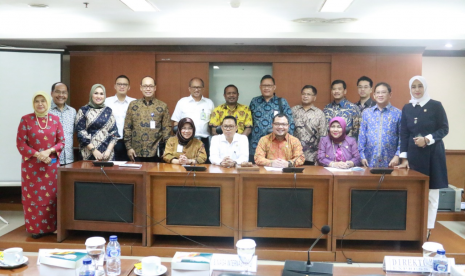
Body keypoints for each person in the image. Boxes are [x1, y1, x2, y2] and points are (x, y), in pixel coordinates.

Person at [396, 76, 449, 239]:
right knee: (414, 193)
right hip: (414, 156)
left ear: (425, 87)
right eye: (413, 87)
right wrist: (404, 158)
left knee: (432, 194)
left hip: (433, 154)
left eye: (420, 86)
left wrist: (428, 139)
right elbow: (404, 133)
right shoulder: (407, 107)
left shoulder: (436, 106)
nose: (417, 90)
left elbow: (444, 129)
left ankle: (428, 229)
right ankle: (412, 228)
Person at [16, 91, 64, 239]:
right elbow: (21, 144)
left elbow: (61, 142)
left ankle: (53, 227)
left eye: (43, 101)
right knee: (34, 198)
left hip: (51, 166)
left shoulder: (55, 120)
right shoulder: (26, 120)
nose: (40, 104)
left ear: (48, 103)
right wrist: (39, 155)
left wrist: (48, 151)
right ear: (33, 103)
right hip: (32, 168)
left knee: (52, 197)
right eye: (37, 101)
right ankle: (36, 229)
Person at [123, 76, 170, 162]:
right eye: (145, 86)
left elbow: (166, 129)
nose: (148, 89)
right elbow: (127, 128)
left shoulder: (162, 106)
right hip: (136, 152)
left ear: (155, 88)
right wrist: (128, 148)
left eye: (151, 86)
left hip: (156, 152)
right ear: (141, 88)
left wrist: (167, 149)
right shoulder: (133, 105)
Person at [250, 75, 294, 162]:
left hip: (276, 146)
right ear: (260, 87)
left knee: (275, 172)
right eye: (264, 86)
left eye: (269, 86)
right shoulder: (254, 101)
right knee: (257, 173)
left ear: (274, 87)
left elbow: (291, 124)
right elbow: (249, 122)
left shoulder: (282, 102)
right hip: (256, 145)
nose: (266, 88)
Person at [358, 82, 401, 167]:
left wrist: (397, 155)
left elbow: (402, 137)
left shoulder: (398, 113)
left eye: (383, 92)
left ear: (390, 94)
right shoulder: (367, 113)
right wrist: (361, 156)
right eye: (378, 92)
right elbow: (362, 136)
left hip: (390, 161)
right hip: (368, 161)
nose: (380, 95)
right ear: (374, 95)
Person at [171, 77, 214, 159]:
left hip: (204, 140)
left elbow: (213, 123)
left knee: (203, 165)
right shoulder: (182, 102)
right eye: (194, 87)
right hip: (186, 141)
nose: (196, 90)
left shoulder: (209, 103)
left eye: (199, 87)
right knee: (185, 163)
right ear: (189, 89)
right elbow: (176, 123)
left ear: (203, 89)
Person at [75, 84, 119, 161]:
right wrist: (94, 151)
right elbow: (80, 133)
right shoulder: (83, 110)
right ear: (91, 94)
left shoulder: (108, 111)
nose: (99, 96)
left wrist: (108, 151)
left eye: (101, 94)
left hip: (107, 155)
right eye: (96, 93)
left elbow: (114, 133)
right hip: (88, 154)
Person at [291, 85, 327, 165]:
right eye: (303, 94)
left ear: (314, 97)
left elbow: (323, 135)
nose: (305, 96)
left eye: (308, 94)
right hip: (295, 154)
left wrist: (321, 155)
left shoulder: (319, 114)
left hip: (312, 156)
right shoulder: (293, 110)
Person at [105, 75, 136, 161]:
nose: (122, 86)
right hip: (110, 143)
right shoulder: (106, 102)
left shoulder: (134, 103)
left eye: (125, 84)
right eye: (119, 84)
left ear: (129, 87)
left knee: (128, 170)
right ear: (115, 86)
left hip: (129, 144)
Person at [49, 82, 76, 165]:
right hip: (50, 159)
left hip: (68, 159)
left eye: (64, 92)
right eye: (57, 92)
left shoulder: (72, 112)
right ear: (51, 93)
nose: (61, 95)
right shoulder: (46, 111)